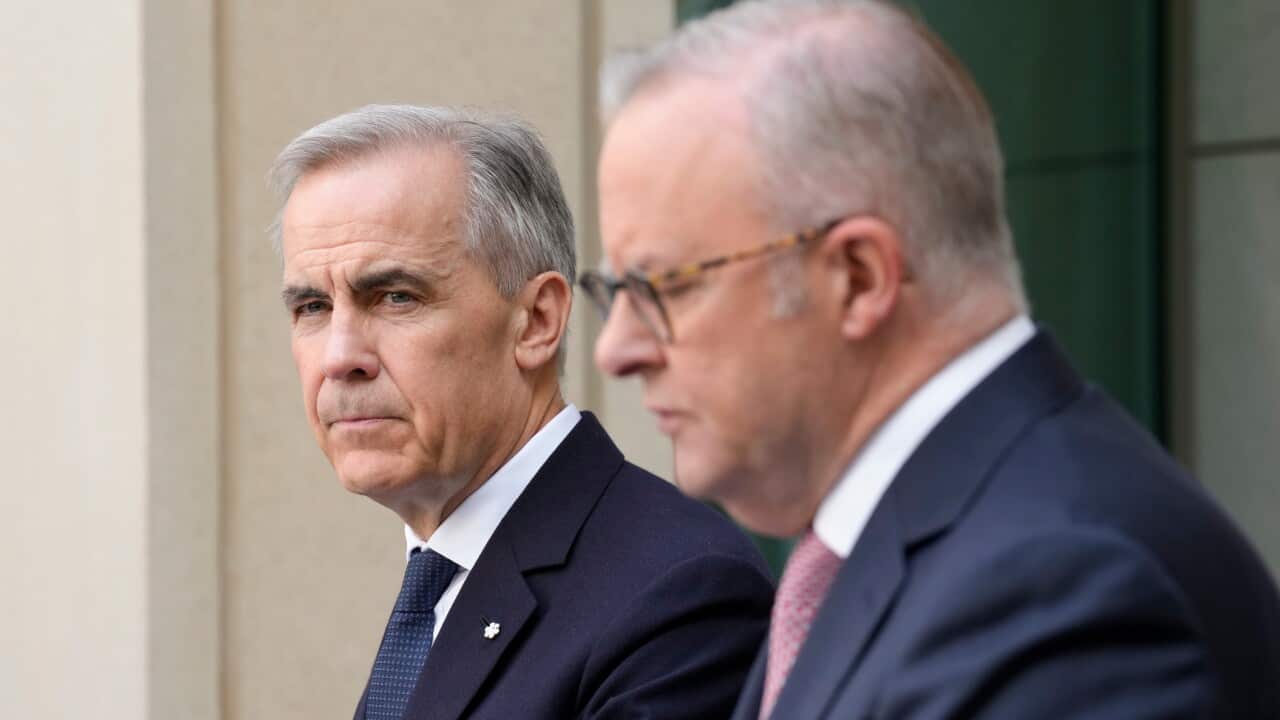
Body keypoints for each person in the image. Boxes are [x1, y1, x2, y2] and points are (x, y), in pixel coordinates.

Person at [583, 1, 1280, 718]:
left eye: (662, 285)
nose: (615, 349)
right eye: (613, 291)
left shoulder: (1058, 584)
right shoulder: (912, 550)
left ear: (858, 278)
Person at [269, 104, 772, 720]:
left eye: (396, 297)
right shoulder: (440, 579)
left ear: (536, 321)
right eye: (313, 308)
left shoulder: (680, 594)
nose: (340, 357)